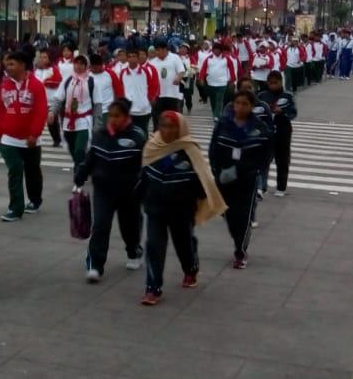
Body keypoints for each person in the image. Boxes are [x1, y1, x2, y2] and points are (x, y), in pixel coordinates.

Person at [139, 111, 225, 303]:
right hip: (155, 209)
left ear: (180, 128)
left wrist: (197, 199)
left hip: (181, 211)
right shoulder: (152, 146)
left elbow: (203, 181)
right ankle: (153, 288)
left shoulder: (189, 150)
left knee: (183, 245)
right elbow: (143, 177)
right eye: (164, 126)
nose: (167, 130)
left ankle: (190, 268)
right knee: (154, 246)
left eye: (172, 126)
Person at [75, 98, 146, 283]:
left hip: (129, 192)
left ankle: (134, 251)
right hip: (103, 191)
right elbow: (91, 159)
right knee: (100, 226)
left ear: (126, 116)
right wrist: (80, 176)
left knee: (129, 227)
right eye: (111, 115)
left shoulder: (137, 136)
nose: (113, 119)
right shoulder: (100, 134)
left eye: (118, 115)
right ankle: (95, 266)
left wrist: (144, 187)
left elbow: (146, 165)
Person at [209, 90, 272, 269]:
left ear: (251, 106)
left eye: (245, 104)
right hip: (225, 178)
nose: (240, 107)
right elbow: (213, 149)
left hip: (247, 180)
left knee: (243, 217)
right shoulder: (223, 125)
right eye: (238, 103)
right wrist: (216, 170)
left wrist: (256, 170)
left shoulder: (258, 128)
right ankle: (237, 237)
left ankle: (240, 251)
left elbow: (266, 153)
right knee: (229, 215)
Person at [0, 51, 48, 222]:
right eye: (7, 64)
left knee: (32, 171)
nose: (8, 67)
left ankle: (35, 200)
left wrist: (34, 133)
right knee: (15, 171)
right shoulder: (4, 85)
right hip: (9, 139)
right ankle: (15, 208)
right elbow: (1, 110)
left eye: (12, 64)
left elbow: (41, 111)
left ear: (22, 65)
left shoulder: (36, 85)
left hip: (30, 139)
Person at [257, 71, 298, 197]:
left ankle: (281, 188)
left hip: (283, 131)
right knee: (263, 160)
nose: (273, 85)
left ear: (281, 82)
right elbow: (256, 112)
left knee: (283, 160)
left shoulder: (288, 95)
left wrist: (283, 112)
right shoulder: (262, 96)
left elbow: (293, 112)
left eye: (276, 83)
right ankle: (260, 187)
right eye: (270, 83)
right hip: (267, 133)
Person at [53, 55, 95, 170]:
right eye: (76, 63)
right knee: (72, 149)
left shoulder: (91, 81)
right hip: (68, 122)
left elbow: (98, 103)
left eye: (82, 64)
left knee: (80, 149)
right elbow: (58, 98)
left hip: (84, 121)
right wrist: (52, 112)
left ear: (86, 66)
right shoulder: (68, 80)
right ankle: (83, 166)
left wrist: (98, 124)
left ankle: (78, 177)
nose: (79, 66)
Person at [118, 45, 158, 133]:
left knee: (143, 132)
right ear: (127, 59)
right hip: (129, 110)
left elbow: (153, 86)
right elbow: (121, 90)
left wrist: (151, 99)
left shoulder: (145, 71)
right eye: (130, 57)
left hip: (143, 110)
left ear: (138, 58)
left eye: (134, 56)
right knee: (129, 133)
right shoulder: (123, 73)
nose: (132, 59)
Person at [198, 41, 237, 119]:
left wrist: (233, 80)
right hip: (211, 83)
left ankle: (217, 115)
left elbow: (232, 69)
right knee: (213, 101)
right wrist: (201, 78)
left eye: (218, 49)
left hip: (222, 83)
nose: (216, 51)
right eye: (215, 49)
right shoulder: (208, 59)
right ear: (213, 50)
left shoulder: (226, 58)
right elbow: (203, 69)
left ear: (221, 50)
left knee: (219, 100)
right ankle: (215, 114)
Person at [34, 50, 64, 147]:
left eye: (45, 57)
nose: (42, 59)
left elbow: (58, 81)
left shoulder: (53, 69)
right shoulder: (36, 70)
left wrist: (46, 82)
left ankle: (57, 139)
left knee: (51, 122)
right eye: (41, 57)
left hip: (51, 101)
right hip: (38, 101)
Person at [149, 39, 187, 115]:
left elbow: (181, 71)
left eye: (163, 49)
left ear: (166, 49)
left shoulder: (175, 58)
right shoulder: (152, 63)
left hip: (172, 95)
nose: (161, 52)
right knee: (158, 118)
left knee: (172, 118)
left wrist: (178, 78)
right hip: (158, 96)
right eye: (158, 50)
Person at [88, 53, 123, 120]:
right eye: (93, 67)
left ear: (101, 64)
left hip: (107, 111)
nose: (95, 69)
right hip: (92, 111)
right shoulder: (87, 75)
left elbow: (119, 93)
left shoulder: (110, 74)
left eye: (97, 66)